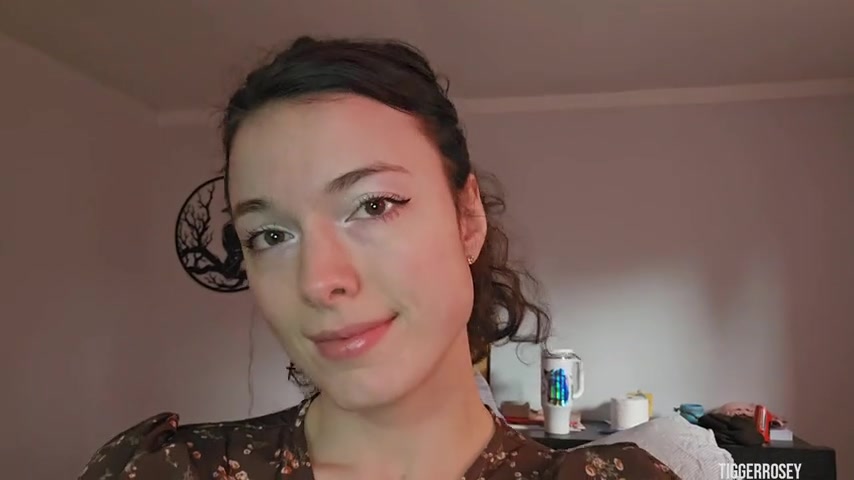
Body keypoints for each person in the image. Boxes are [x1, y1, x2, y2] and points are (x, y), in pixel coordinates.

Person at [78, 36, 679, 480]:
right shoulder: (167, 470)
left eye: (372, 205)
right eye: (270, 235)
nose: (318, 281)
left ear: (467, 219)